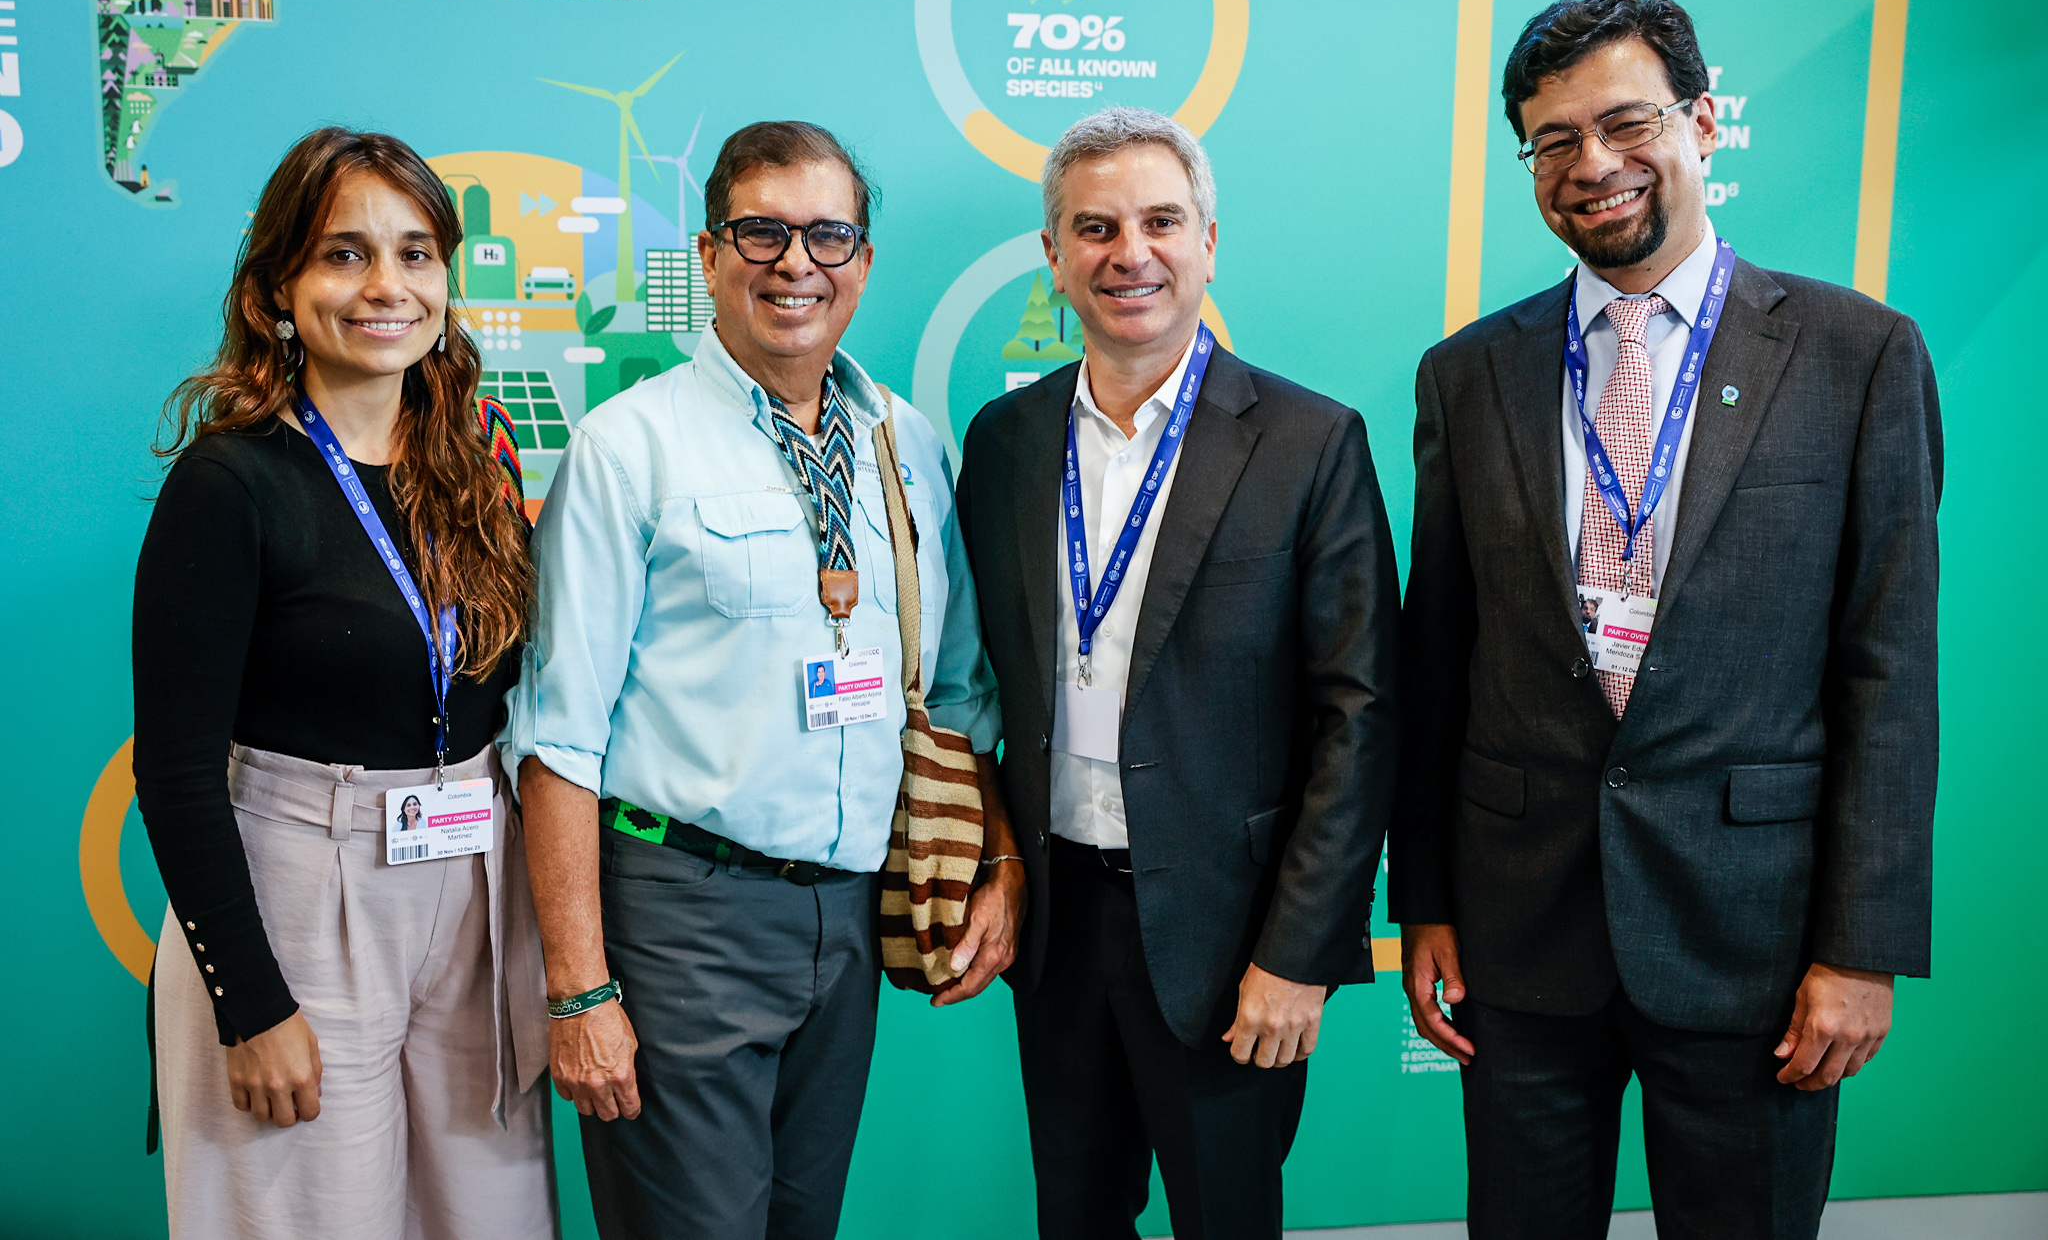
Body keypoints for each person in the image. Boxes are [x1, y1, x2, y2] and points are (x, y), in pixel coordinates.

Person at [1391, 0, 1941, 1239]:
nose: (1590, 164)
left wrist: (1860, 947)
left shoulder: (1856, 356)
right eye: (1551, 140)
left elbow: (1889, 671)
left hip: (1754, 938)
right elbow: (1436, 656)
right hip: (1518, 933)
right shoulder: (1467, 373)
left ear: (1701, 124)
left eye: (1624, 123)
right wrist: (1422, 895)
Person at [504, 120, 1017, 1240]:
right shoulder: (627, 448)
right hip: (682, 915)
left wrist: (1000, 859)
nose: (797, 264)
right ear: (708, 254)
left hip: (850, 914)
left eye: (828, 235)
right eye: (762, 233)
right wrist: (580, 988)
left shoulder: (907, 444)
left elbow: (958, 691)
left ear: (862, 261)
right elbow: (557, 739)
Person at [955, 106, 1401, 1239]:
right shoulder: (1004, 443)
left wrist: (1299, 956)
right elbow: (980, 691)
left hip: (1230, 936)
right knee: (1074, 1218)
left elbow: (1360, 718)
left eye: (1159, 221)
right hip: (1057, 925)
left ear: (1208, 241)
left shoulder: (1308, 442)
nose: (1130, 254)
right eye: (1094, 228)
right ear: (1054, 254)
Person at [133, 127, 553, 1240]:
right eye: (343, 254)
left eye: (415, 254)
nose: (386, 287)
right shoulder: (230, 484)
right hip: (301, 893)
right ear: (279, 286)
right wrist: (249, 1001)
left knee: (494, 1219)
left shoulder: (476, 460)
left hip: (475, 882)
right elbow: (175, 774)